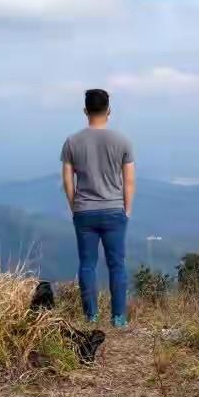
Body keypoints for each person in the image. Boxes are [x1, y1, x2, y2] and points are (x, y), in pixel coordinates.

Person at [60, 88, 135, 327]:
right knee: (117, 264)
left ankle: (91, 316)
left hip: (84, 211)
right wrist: (127, 210)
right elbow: (129, 181)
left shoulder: (72, 142)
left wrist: (75, 207)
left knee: (87, 264)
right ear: (109, 111)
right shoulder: (122, 141)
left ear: (85, 111)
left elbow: (67, 180)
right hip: (114, 210)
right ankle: (118, 318)